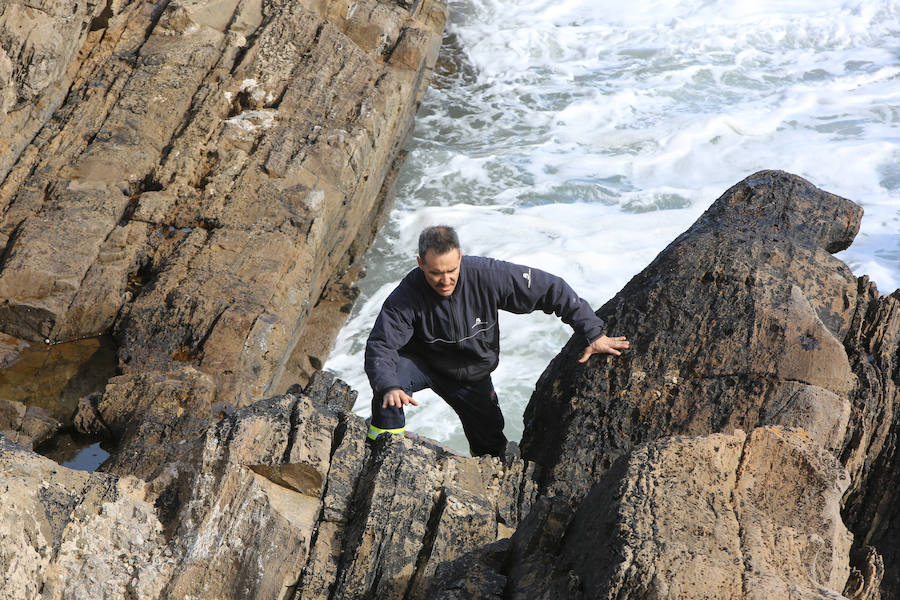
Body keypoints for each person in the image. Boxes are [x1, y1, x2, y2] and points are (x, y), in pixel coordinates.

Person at [364, 225, 629, 457]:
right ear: (420, 263)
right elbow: (381, 345)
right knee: (390, 386)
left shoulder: (487, 275)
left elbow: (552, 289)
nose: (445, 280)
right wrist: (388, 385)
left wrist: (594, 333)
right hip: (423, 364)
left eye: (451, 270)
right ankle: (383, 450)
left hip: (472, 375)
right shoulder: (408, 294)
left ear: (460, 257)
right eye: (435, 273)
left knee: (490, 445)